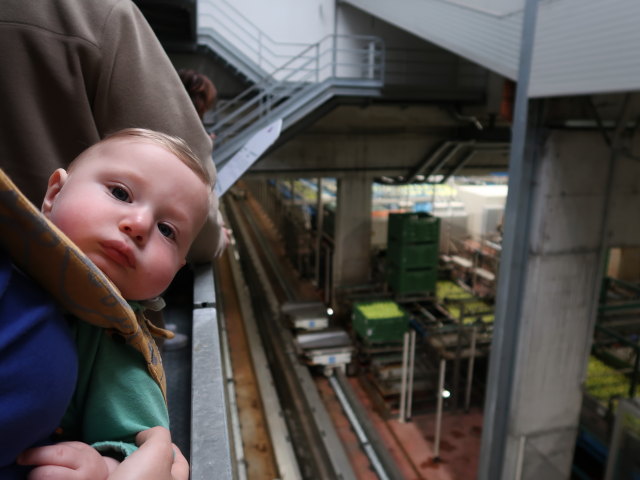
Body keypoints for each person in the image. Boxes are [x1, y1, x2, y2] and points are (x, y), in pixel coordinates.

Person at [0, 128, 210, 478]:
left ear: (176, 270)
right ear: (54, 193)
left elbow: (147, 451)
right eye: (120, 193)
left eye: (168, 230)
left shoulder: (116, 341)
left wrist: (104, 466)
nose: (140, 225)